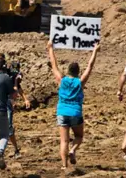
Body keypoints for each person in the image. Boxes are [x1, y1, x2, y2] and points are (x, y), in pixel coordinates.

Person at [47, 41, 100, 170]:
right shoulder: (80, 82)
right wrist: (95, 50)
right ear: (78, 72)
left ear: (68, 71)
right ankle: (73, 149)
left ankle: (64, 166)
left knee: (63, 141)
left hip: (62, 112)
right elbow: (90, 66)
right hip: (75, 112)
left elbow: (54, 65)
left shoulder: (61, 80)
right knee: (79, 136)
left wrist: (50, 48)